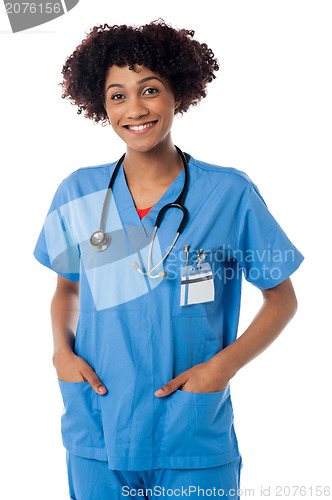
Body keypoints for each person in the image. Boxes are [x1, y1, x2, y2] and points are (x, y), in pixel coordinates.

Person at [33, 19, 304, 500]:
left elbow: (281, 298)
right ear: (101, 106)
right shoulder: (78, 191)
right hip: (97, 429)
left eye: (150, 90)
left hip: (192, 433)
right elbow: (67, 288)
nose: (134, 109)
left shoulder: (229, 193)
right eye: (117, 95)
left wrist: (220, 370)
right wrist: (61, 353)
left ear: (178, 93)